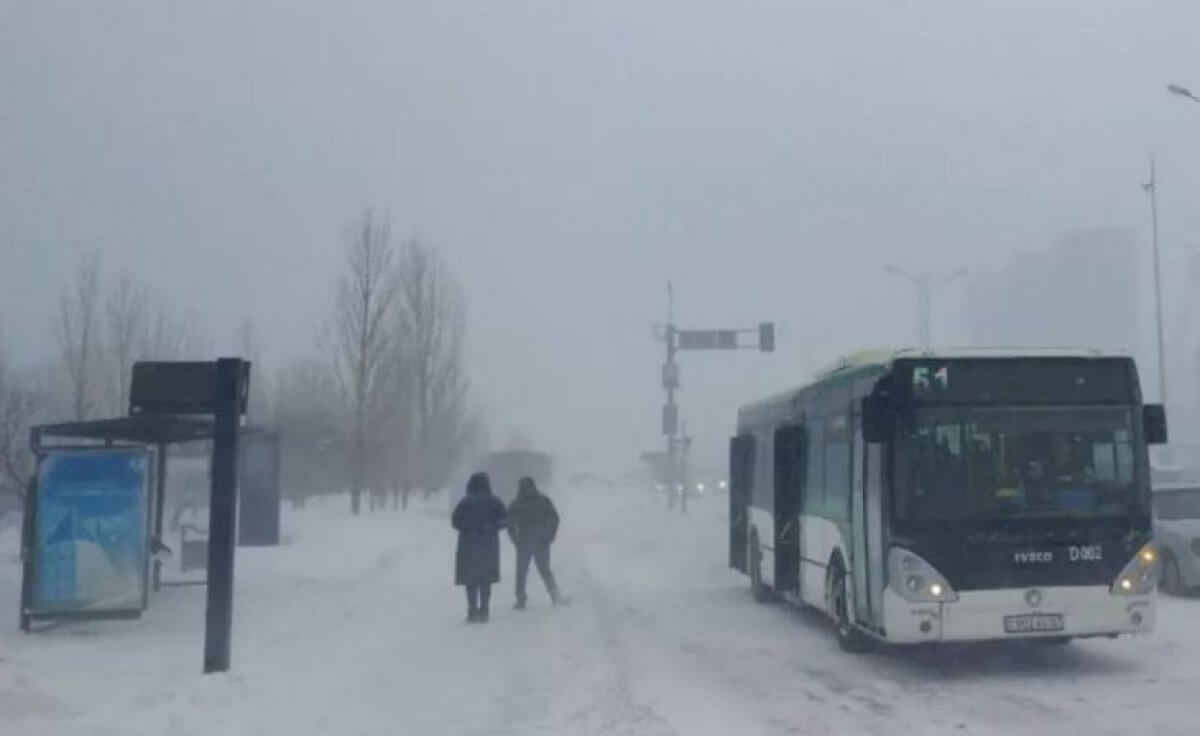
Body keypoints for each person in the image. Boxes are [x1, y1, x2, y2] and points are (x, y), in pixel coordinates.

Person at [452, 472, 507, 623]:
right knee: (485, 579)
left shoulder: (465, 502)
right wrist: (490, 527)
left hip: (468, 545)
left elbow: (455, 522)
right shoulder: (495, 501)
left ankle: (472, 610)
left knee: (470, 579)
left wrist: (470, 527)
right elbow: (505, 520)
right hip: (488, 545)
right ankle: (484, 609)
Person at [506, 476, 561, 609]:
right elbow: (554, 518)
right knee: (544, 570)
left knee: (521, 572)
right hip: (542, 540)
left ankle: (521, 599)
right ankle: (555, 595)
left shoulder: (517, 503)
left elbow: (510, 523)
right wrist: (549, 535)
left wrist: (515, 539)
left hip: (524, 540)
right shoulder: (543, 501)